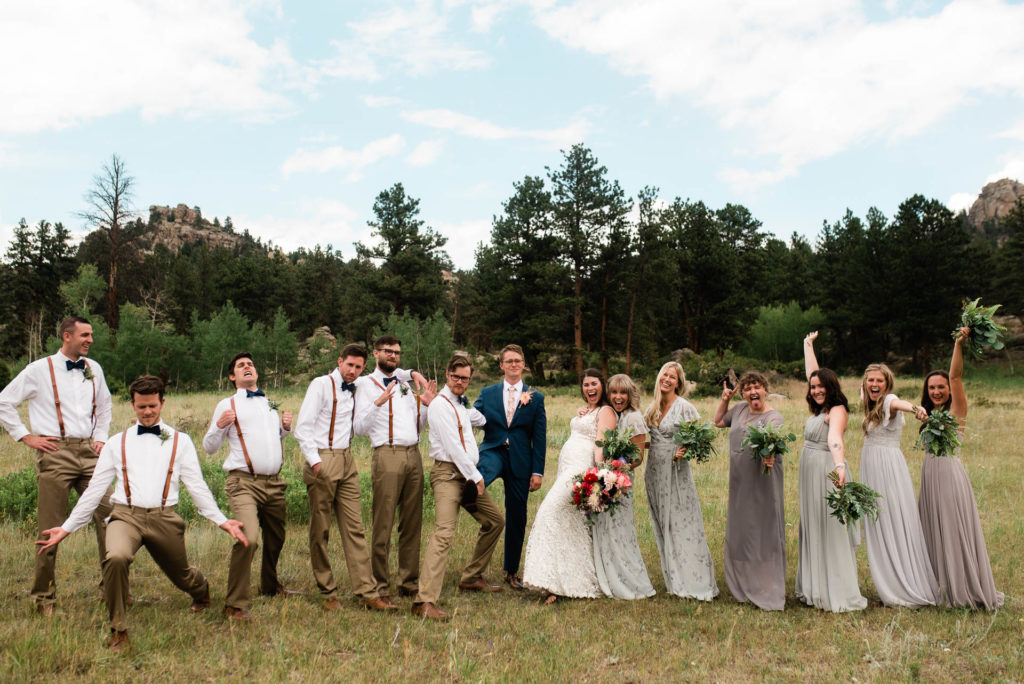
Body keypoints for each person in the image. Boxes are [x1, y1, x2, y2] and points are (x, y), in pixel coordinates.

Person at [35, 375, 247, 651]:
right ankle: (119, 630)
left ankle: (200, 590)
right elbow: (94, 491)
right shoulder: (116, 443)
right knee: (116, 557)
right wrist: (66, 528)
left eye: (152, 406)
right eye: (141, 407)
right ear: (132, 405)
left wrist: (220, 520)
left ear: (162, 403)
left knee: (182, 574)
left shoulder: (180, 441)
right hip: (125, 516)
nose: (147, 412)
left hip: (164, 517)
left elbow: (197, 487)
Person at [293, 343, 419, 612]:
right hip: (323, 458)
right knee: (321, 530)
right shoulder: (320, 384)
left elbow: (392, 372)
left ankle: (367, 593)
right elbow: (302, 428)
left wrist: (412, 373)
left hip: (347, 459)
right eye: (349, 365)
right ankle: (328, 593)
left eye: (357, 367)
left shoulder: (360, 384)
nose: (352, 371)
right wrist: (315, 462)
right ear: (340, 362)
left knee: (355, 529)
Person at [0, 316, 113, 615]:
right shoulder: (39, 369)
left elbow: (105, 405)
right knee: (51, 527)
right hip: (55, 453)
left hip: (90, 453)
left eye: (91, 335)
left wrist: (100, 438)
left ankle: (113, 591)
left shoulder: (94, 369)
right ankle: (44, 599)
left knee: (111, 519)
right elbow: (4, 401)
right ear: (67, 336)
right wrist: (25, 437)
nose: (90, 340)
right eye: (85, 335)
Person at [203, 352, 295, 621]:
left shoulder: (269, 403)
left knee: (277, 537)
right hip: (243, 482)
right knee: (249, 538)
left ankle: (269, 586)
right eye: (241, 366)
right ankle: (235, 603)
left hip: (274, 483)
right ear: (232, 376)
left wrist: (285, 429)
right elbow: (209, 447)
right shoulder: (227, 404)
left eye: (251, 364)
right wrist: (219, 427)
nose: (247, 368)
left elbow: (270, 439)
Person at [412, 354, 505, 620]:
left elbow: (481, 420)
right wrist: (475, 476)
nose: (460, 382)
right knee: (444, 533)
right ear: (447, 375)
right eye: (456, 377)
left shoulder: (460, 404)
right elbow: (453, 447)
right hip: (448, 476)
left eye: (465, 378)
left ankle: (472, 577)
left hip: (467, 475)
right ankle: (424, 601)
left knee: (495, 521)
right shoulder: (440, 405)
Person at [917, 327, 1003, 610]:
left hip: (949, 475)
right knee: (932, 527)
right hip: (929, 476)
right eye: (932, 388)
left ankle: (962, 587)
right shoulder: (929, 414)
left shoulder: (957, 411)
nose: (937, 391)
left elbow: (955, 375)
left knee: (953, 528)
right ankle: (939, 584)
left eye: (941, 387)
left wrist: (958, 344)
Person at [523, 368, 614, 603]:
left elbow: (601, 442)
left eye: (594, 383)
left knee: (549, 512)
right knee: (568, 523)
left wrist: (598, 475)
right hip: (566, 469)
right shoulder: (588, 410)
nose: (590, 388)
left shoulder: (605, 411)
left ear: (602, 385)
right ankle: (561, 583)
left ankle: (556, 580)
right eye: (585, 385)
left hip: (580, 471)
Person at [353, 335, 432, 602]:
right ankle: (380, 585)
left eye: (397, 352)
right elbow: (358, 429)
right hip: (386, 454)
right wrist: (377, 404)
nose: (393, 355)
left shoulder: (404, 386)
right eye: (388, 351)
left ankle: (408, 582)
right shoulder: (364, 384)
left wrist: (425, 407)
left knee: (412, 522)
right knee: (383, 522)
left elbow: (416, 426)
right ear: (375, 353)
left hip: (413, 454)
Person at [795, 332, 866, 612]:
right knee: (813, 524)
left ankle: (835, 589)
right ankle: (815, 586)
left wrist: (839, 466)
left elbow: (835, 438)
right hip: (809, 471)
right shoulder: (818, 407)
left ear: (831, 387)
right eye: (813, 387)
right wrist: (807, 345)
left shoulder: (836, 409)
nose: (815, 389)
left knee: (829, 528)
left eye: (821, 386)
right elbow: (812, 373)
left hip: (826, 470)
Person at [858, 363, 937, 607]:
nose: (874, 385)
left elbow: (900, 403)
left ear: (887, 384)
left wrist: (918, 409)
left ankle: (901, 586)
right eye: (871, 380)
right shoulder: (869, 400)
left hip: (887, 468)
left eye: (879, 381)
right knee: (878, 522)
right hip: (871, 466)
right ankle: (888, 582)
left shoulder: (890, 400)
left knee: (891, 520)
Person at [474, 344, 547, 590]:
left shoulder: (535, 398)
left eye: (518, 360)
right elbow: (471, 418)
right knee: (477, 481)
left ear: (523, 364)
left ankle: (511, 571)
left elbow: (539, 437)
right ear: (502, 365)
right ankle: (466, 497)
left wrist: (537, 471)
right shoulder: (488, 392)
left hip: (521, 460)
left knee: (517, 515)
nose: (514, 364)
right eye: (509, 361)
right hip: (493, 451)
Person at [643, 362, 718, 601]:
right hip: (654, 472)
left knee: (682, 522)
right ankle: (673, 578)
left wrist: (683, 448)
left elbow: (698, 438)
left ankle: (693, 579)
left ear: (679, 382)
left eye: (672, 377)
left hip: (676, 472)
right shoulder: (652, 407)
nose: (667, 379)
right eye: (664, 374)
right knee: (663, 524)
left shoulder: (684, 407)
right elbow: (647, 440)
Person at [713, 371, 786, 611]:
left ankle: (765, 583)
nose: (753, 392)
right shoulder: (740, 410)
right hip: (740, 480)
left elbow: (773, 443)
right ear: (742, 393)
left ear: (765, 389)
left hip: (762, 480)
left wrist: (770, 456)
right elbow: (718, 421)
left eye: (757, 387)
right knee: (743, 529)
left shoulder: (774, 417)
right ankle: (742, 581)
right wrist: (725, 399)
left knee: (762, 528)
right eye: (747, 388)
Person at [593, 373, 655, 600]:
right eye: (614, 392)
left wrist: (617, 468)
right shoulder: (612, 415)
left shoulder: (633, 418)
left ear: (630, 395)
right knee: (605, 527)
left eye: (623, 393)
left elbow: (637, 458)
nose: (618, 397)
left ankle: (630, 582)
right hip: (605, 478)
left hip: (623, 481)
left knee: (621, 530)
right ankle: (608, 576)